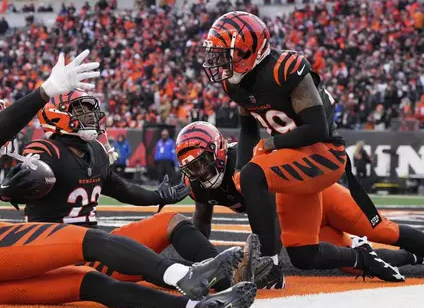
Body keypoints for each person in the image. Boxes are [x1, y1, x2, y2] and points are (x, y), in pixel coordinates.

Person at [0, 51, 257, 308]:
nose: (0, 126)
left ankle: (193, 306)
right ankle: (183, 274)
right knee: (87, 240)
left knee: (90, 284)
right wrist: (44, 92)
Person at [201, 11, 406, 282]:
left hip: (324, 154)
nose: (220, 62)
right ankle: (364, 258)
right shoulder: (234, 84)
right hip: (292, 160)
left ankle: (269, 265)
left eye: (225, 53)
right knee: (303, 255)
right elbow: (247, 128)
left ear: (250, 50)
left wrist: (269, 144)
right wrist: (240, 167)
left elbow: (317, 128)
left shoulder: (285, 69)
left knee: (255, 173)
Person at [0, 92, 271, 288]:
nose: (91, 116)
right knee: (143, 266)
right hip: (58, 255)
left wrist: (157, 196)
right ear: (58, 116)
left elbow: (122, 189)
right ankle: (191, 278)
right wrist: (18, 181)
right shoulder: (46, 150)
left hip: (97, 249)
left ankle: (225, 272)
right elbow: (23, 173)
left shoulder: (95, 151)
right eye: (80, 111)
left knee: (173, 221)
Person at [176, 121, 424, 287]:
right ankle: (412, 257)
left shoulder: (244, 160)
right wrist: (204, 260)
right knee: (350, 262)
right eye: (192, 167)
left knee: (380, 230)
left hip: (318, 196)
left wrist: (266, 260)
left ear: (218, 150)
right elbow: (202, 221)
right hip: (298, 219)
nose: (201, 172)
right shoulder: (197, 185)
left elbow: (272, 210)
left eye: (203, 162)